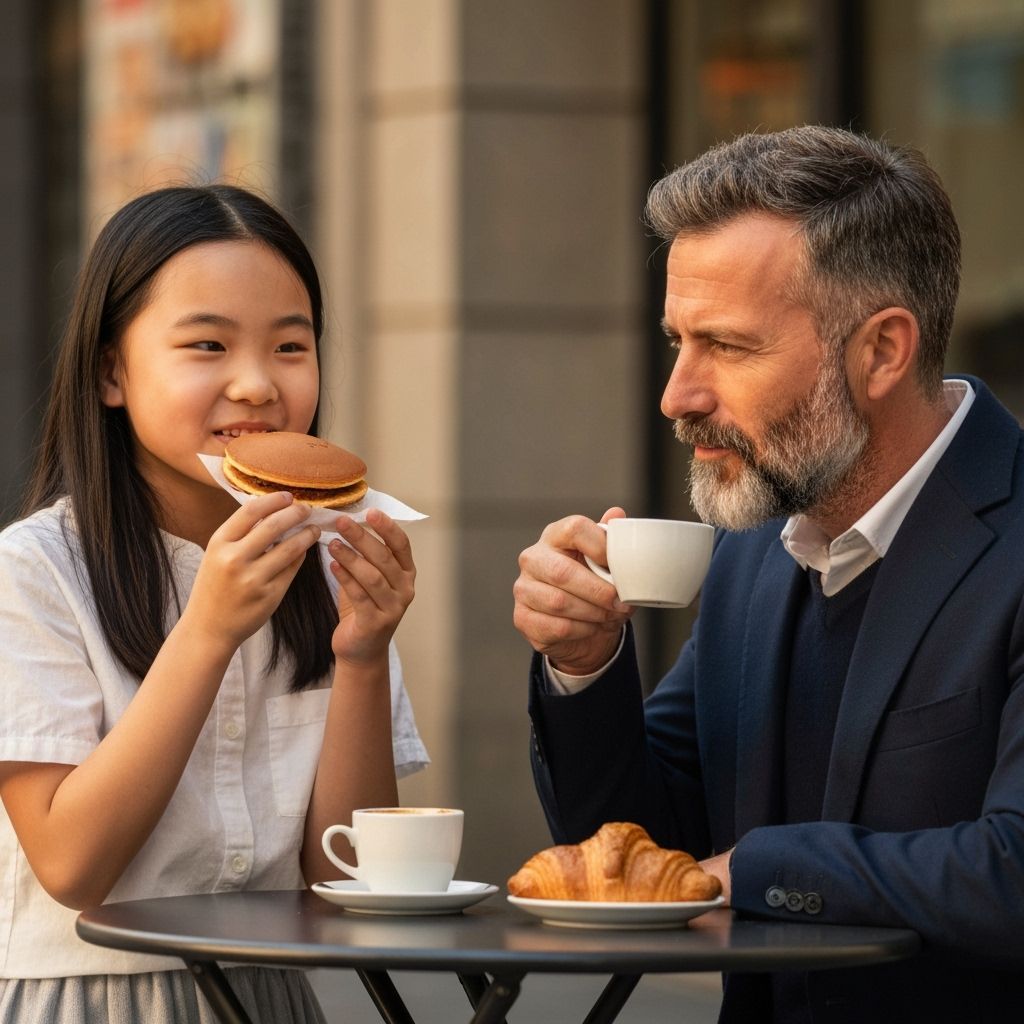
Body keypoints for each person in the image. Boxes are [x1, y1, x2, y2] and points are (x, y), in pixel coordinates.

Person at [513, 126, 1024, 1023]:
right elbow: (650, 849)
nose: (678, 394)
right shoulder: (758, 544)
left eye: (728, 346)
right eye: (677, 340)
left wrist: (760, 870)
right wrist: (585, 665)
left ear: (882, 351)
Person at [0, 184, 428, 1023]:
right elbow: (73, 865)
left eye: (291, 347)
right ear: (111, 372)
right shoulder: (34, 572)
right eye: (207, 345)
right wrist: (208, 629)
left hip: (269, 994)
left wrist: (363, 653)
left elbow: (346, 879)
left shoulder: (326, 562)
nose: (257, 384)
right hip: (84, 997)